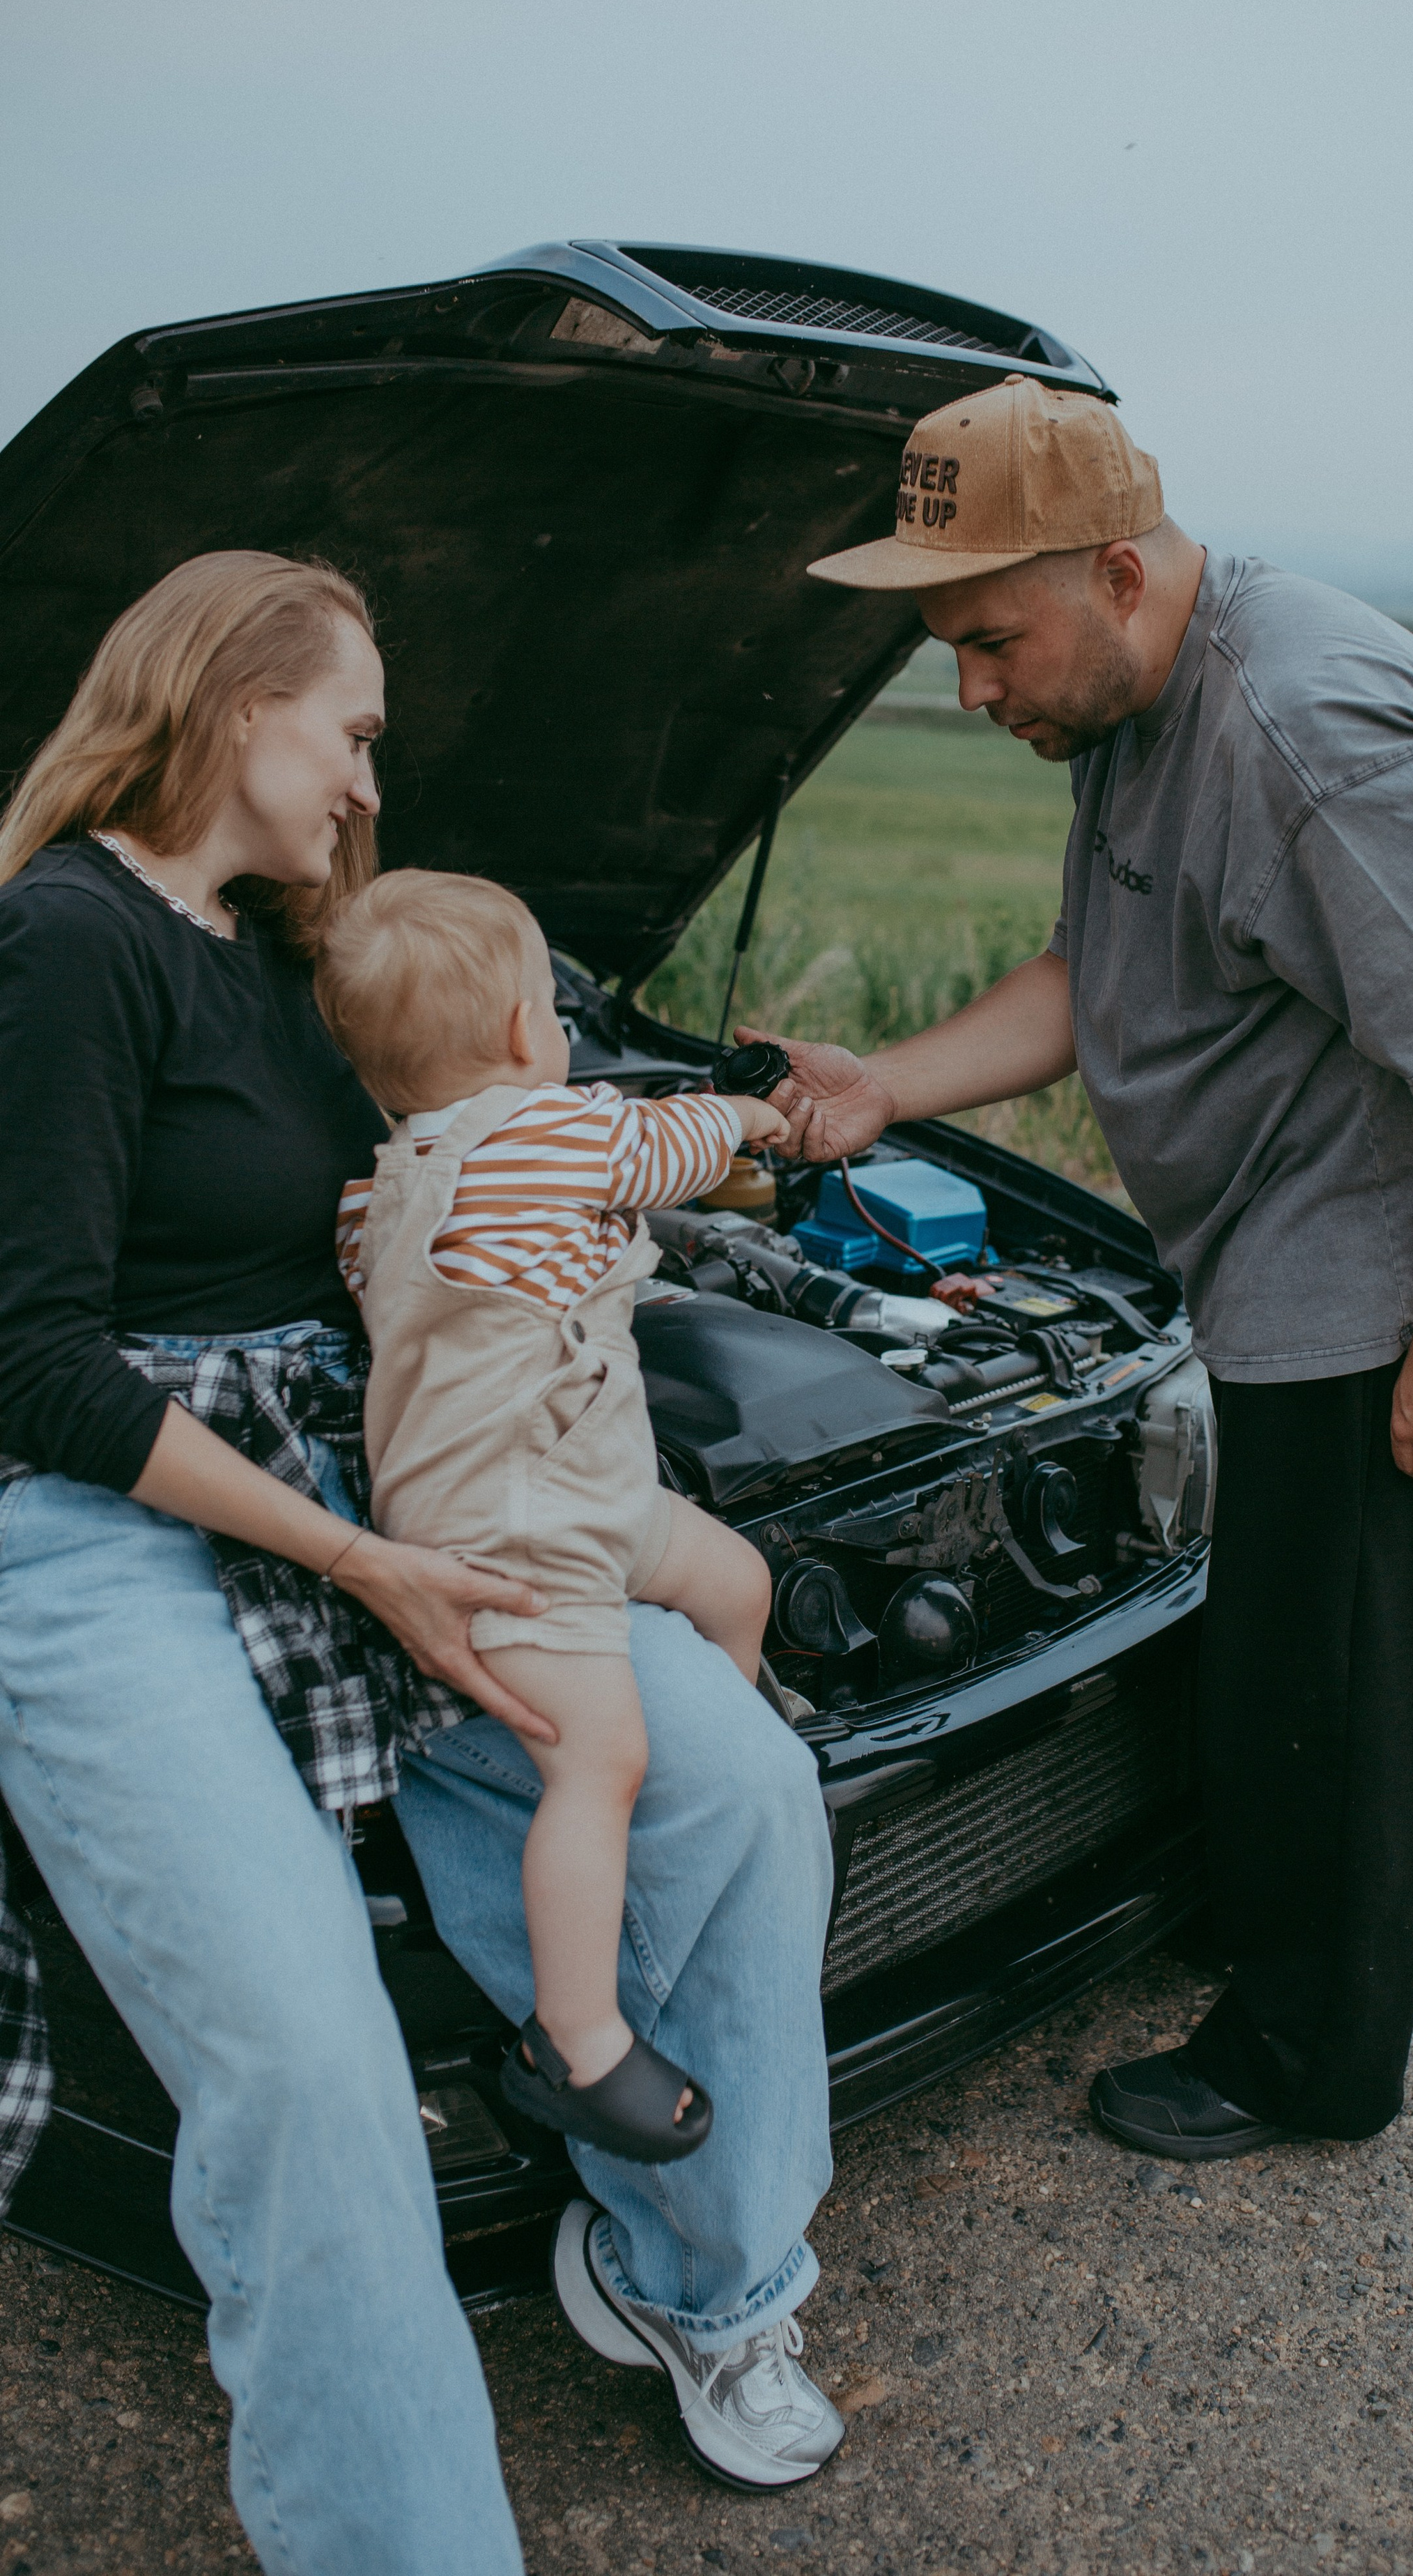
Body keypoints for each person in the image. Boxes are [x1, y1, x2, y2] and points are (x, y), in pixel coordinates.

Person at [0, 551, 841, 2576]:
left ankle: (698, 2283)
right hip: (112, 1529)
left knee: (744, 1787)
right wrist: (363, 1565)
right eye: (355, 732)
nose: (372, 780)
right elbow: (26, 1360)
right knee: (308, 2064)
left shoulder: (308, 954)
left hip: (364, 1486)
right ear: (232, 702)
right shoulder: (61, 938)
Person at [753, 374, 1413, 2163]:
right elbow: (1089, 970)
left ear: (1115, 572)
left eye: (987, 643)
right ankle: (1252, 1926)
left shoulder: (1304, 731)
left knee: (1354, 1680)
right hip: (1284, 1264)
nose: (971, 695)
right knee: (1272, 1639)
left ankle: (1314, 2061)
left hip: (1393, 1275)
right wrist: (879, 1086)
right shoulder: (1127, 704)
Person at [317, 867, 789, 2160]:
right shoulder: (556, 1131)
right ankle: (575, 2043)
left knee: (732, 1577)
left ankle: (735, 1766)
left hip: (568, 1488)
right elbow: (670, 1144)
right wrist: (755, 1111)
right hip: (520, 1529)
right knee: (598, 1761)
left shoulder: (378, 1191)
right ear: (535, 1034)